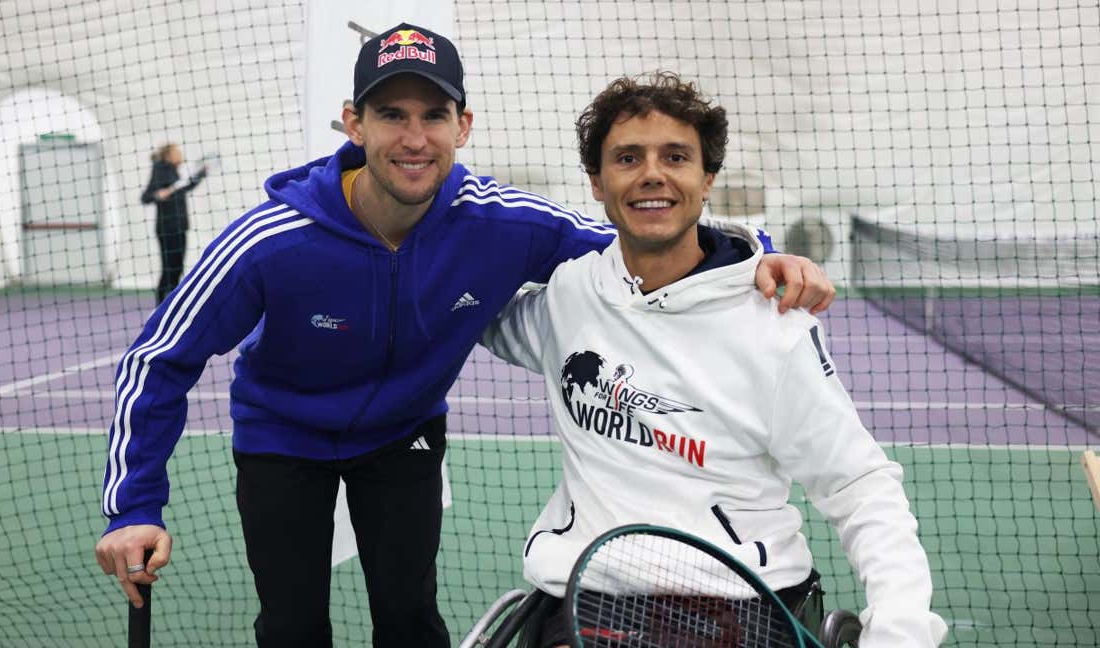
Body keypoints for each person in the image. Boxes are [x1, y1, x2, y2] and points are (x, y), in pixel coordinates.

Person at [95, 24, 835, 648]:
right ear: (354, 124)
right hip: (282, 440)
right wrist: (133, 511)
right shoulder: (270, 241)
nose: (413, 138)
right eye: (392, 115)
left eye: (433, 115)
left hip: (403, 438)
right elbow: (159, 361)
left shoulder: (501, 222)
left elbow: (646, 236)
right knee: (291, 626)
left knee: (411, 620)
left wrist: (753, 255)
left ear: (463, 125)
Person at [480, 72, 947, 648]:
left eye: (675, 156)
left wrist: (899, 633)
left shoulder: (773, 327)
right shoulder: (573, 294)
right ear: (598, 184)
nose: (652, 173)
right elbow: (466, 305)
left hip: (738, 606)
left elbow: (859, 486)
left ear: (707, 180)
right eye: (628, 157)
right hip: (582, 600)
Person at [140, 143, 207, 304]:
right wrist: (158, 195)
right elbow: (146, 197)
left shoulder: (173, 172)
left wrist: (200, 174)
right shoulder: (160, 170)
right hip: (166, 229)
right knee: (169, 269)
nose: (180, 155)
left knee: (177, 268)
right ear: (169, 155)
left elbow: (184, 187)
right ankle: (161, 304)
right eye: (177, 152)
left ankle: (172, 303)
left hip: (179, 227)